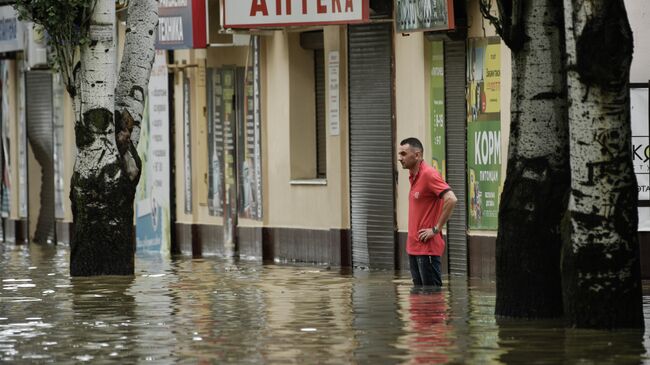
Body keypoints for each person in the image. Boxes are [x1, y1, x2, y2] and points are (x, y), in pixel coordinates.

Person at [398, 137, 457, 287]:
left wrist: (435, 229)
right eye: (400, 154)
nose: (400, 158)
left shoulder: (429, 174)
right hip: (414, 248)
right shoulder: (413, 176)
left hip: (427, 250)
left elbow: (451, 199)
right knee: (419, 301)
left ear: (417, 155)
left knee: (432, 301)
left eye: (404, 154)